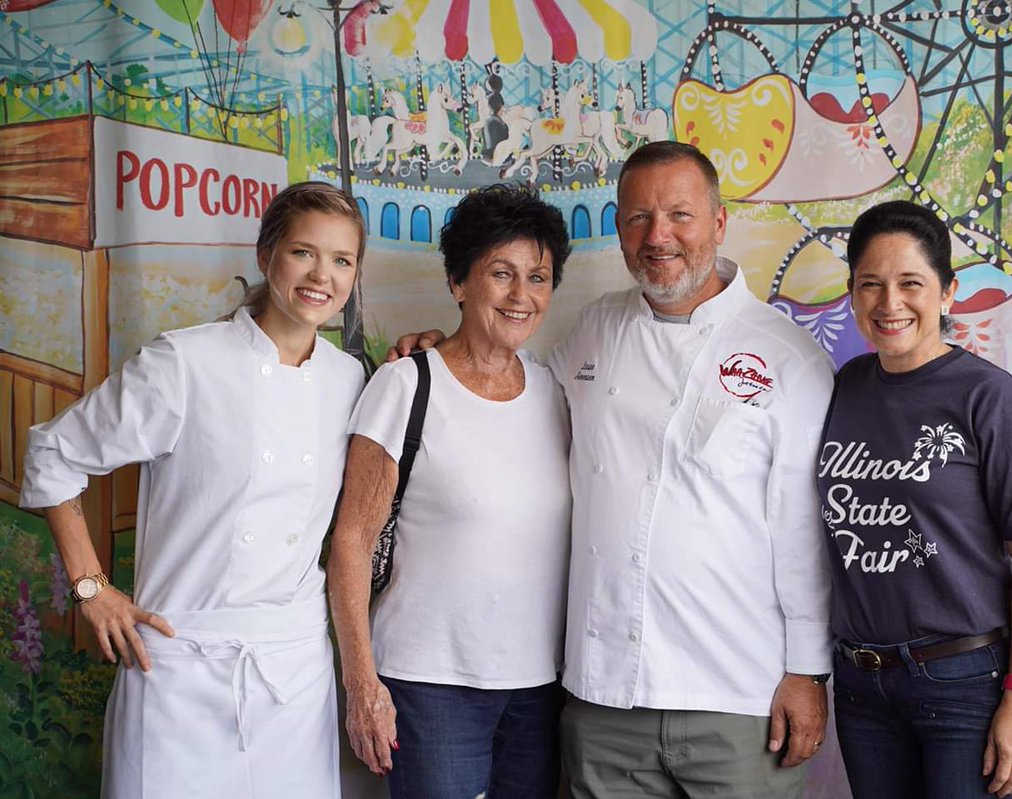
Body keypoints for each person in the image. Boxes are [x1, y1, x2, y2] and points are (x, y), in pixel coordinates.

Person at [396, 142, 836, 797]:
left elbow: (802, 531)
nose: (658, 236)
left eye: (680, 216)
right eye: (637, 218)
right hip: (602, 701)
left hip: (737, 695)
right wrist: (448, 347)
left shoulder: (787, 357)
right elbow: (507, 382)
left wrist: (807, 670)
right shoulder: (593, 330)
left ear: (719, 223)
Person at [19, 181, 367, 798]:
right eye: (303, 253)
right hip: (178, 666)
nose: (322, 276)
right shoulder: (185, 363)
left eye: (342, 260)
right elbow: (53, 451)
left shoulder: (349, 378)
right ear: (266, 256)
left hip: (293, 674)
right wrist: (91, 587)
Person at [327, 183, 573, 799]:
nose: (522, 296)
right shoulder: (407, 385)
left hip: (539, 688)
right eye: (501, 274)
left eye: (538, 277)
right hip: (429, 685)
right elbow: (351, 542)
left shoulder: (558, 394)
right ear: (459, 282)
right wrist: (362, 685)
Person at [819, 200, 1012, 798]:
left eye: (910, 284)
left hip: (966, 686)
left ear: (948, 293)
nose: (889, 303)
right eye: (870, 285)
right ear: (851, 294)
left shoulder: (989, 398)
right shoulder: (841, 388)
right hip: (862, 687)